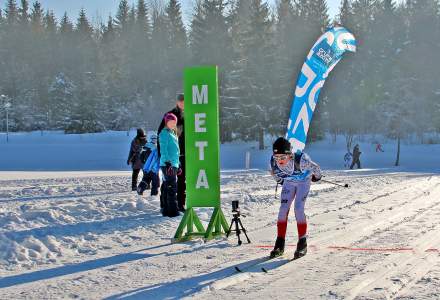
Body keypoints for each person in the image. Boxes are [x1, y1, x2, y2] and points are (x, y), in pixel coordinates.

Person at [269, 137, 322, 259]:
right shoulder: (273, 161)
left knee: (298, 209)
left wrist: (316, 177)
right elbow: (274, 174)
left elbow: (317, 168)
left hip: (303, 182)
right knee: (283, 210)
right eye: (277, 157)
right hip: (289, 182)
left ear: (290, 155)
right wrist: (281, 181)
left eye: (283, 157)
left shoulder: (301, 160)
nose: (280, 161)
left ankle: (302, 243)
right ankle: (279, 243)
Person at [158, 93, 186, 212]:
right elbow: (161, 133)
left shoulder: (191, 115)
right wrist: (163, 156)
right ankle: (164, 204)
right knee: (167, 181)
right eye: (180, 101)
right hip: (169, 156)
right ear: (177, 102)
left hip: (183, 154)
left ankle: (180, 204)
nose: (182, 103)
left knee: (181, 180)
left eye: (184, 101)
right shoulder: (170, 115)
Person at [159, 113, 181, 218]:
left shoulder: (173, 133)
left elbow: (176, 151)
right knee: (171, 187)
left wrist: (178, 165)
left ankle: (166, 210)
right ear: (166, 122)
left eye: (174, 122)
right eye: (170, 122)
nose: (172, 124)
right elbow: (163, 149)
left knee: (169, 186)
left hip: (174, 163)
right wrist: (168, 163)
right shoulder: (164, 134)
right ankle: (172, 211)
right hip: (168, 164)